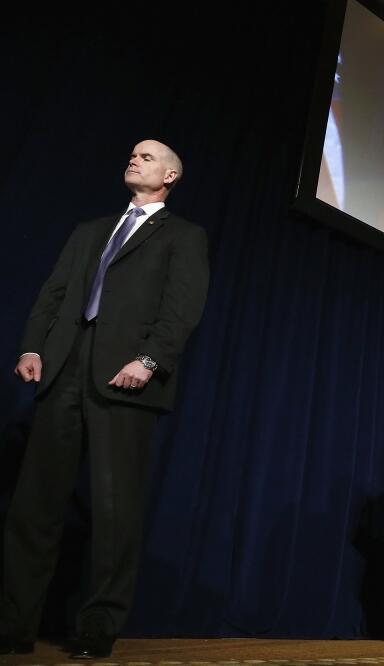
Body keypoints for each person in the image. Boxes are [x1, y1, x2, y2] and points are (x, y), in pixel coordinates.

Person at [0, 139, 210, 659]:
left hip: (126, 378)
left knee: (115, 512)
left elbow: (182, 308)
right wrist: (32, 346)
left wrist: (149, 360)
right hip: (64, 367)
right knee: (34, 507)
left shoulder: (184, 236)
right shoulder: (90, 230)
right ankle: (13, 623)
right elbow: (53, 292)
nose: (134, 158)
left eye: (147, 156)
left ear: (171, 176)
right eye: (133, 153)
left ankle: (96, 627)